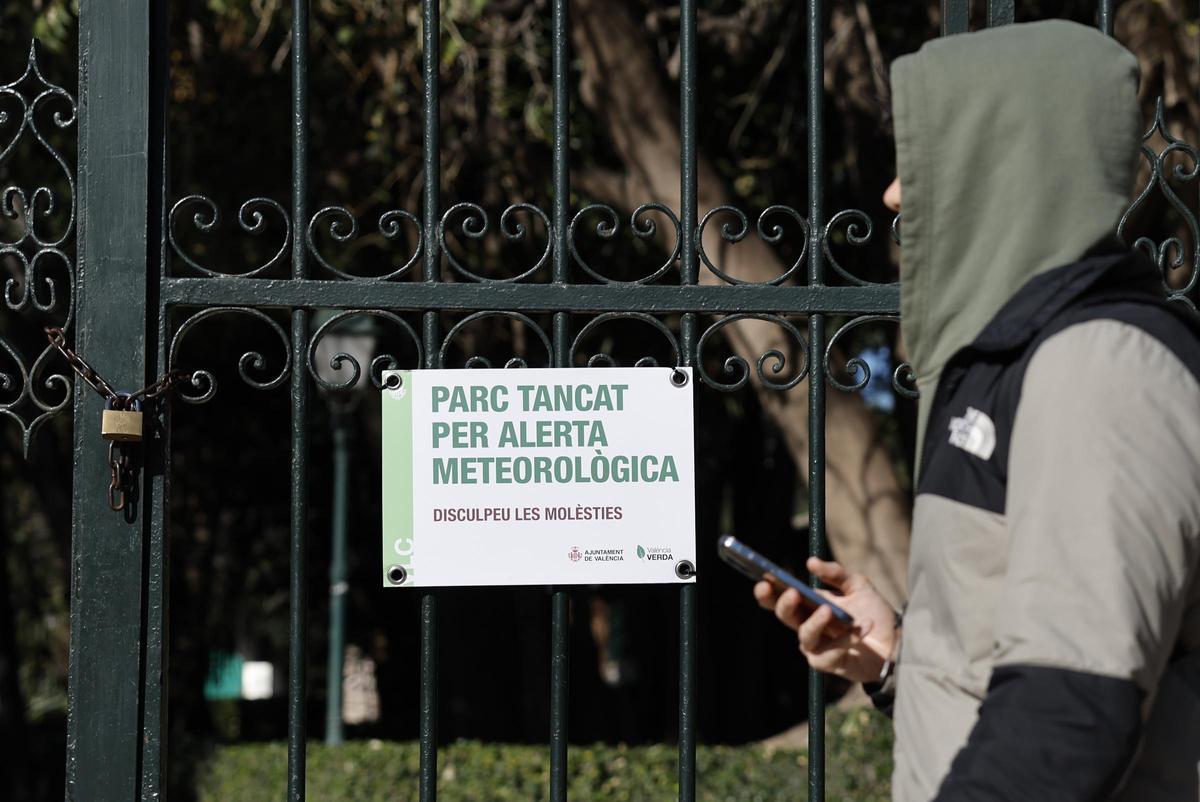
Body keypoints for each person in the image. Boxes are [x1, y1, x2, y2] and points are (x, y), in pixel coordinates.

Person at [754, 19, 1200, 802]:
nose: (893, 194)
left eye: (924, 161)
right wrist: (899, 658)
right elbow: (1027, 666)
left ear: (1007, 164)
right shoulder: (1018, 358)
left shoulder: (1098, 366)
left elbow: (1068, 714)